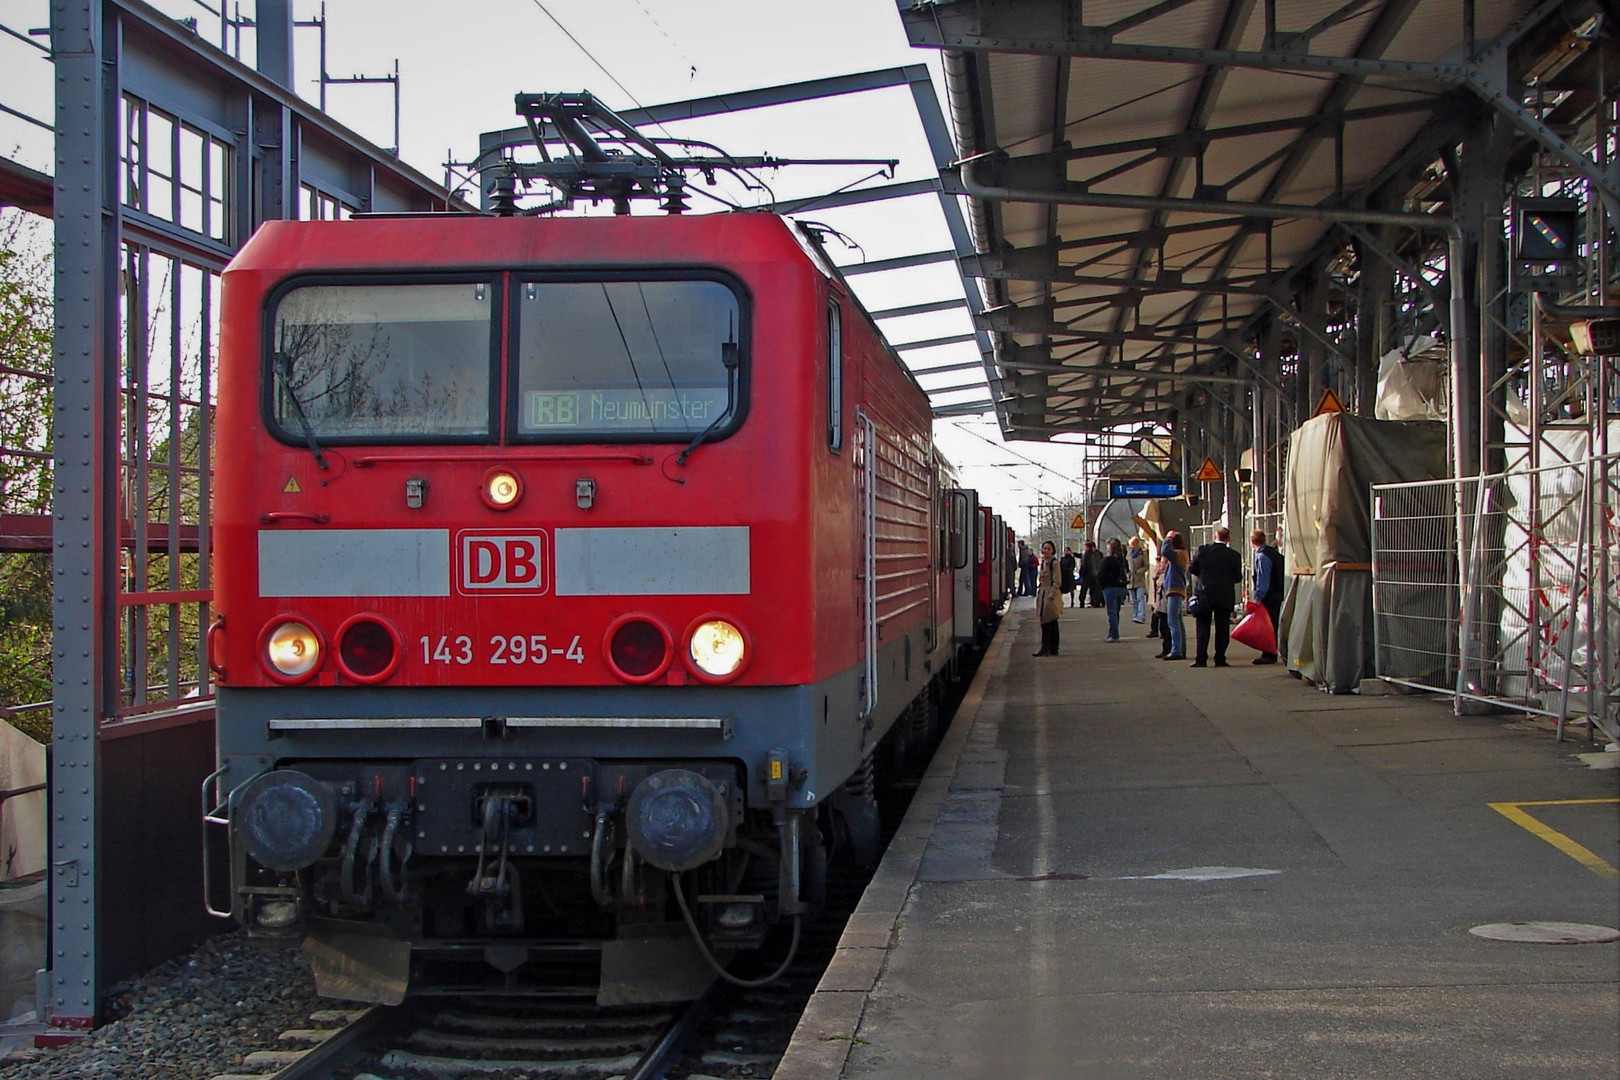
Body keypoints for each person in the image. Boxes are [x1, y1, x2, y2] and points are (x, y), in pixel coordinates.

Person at [1188, 525, 1244, 668]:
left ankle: (1201, 659)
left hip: (1204, 593)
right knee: (1222, 628)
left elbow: (1192, 568)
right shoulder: (1234, 555)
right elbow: (1238, 577)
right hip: (1224, 594)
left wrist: (1204, 576)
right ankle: (1220, 658)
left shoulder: (1203, 551)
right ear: (1228, 539)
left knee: (1203, 626)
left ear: (1215, 537)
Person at [1250, 528, 1285, 664]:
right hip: (1277, 592)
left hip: (1269, 596)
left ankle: (1269, 654)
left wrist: (1258, 598)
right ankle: (1272, 652)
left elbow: (1263, 579)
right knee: (1273, 624)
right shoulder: (1273, 554)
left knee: (1268, 626)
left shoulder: (1262, 556)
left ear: (1252, 541)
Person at [1157, 531, 1189, 661]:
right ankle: (1181, 649)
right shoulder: (1182, 555)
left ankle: (1176, 650)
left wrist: (1167, 538)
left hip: (1174, 590)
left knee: (1173, 621)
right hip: (1177, 589)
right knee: (1178, 621)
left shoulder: (1178, 555)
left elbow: (1165, 551)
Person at [1033, 540, 1062, 656]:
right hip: (1043, 593)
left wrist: (1051, 595)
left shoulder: (1054, 563)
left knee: (1049, 621)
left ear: (1052, 551)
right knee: (1046, 621)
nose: (1046, 551)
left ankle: (1048, 647)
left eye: (1048, 549)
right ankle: (1050, 647)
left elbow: (1057, 580)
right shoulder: (1044, 563)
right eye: (1044, 548)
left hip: (1050, 595)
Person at [1098, 538, 1129, 641]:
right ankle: (1112, 632)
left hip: (1110, 588)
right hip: (1121, 588)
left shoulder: (1107, 560)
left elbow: (1101, 575)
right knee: (1116, 612)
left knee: (1111, 612)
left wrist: (1102, 586)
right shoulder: (1123, 560)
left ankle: (1114, 635)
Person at [1127, 536, 1149, 623]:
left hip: (1139, 580)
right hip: (1130, 580)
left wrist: (1139, 571)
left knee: (1140, 598)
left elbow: (1146, 566)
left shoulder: (1142, 554)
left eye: (1132, 545)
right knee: (1133, 600)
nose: (1131, 546)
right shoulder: (1129, 554)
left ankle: (1141, 616)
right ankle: (1135, 615)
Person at [1079, 540, 1104, 607]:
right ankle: (1096, 603)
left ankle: (1082, 603)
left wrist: (1081, 573)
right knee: (1095, 590)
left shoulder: (1086, 554)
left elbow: (1084, 565)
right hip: (1095, 575)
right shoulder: (1097, 554)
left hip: (1087, 575)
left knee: (1084, 590)